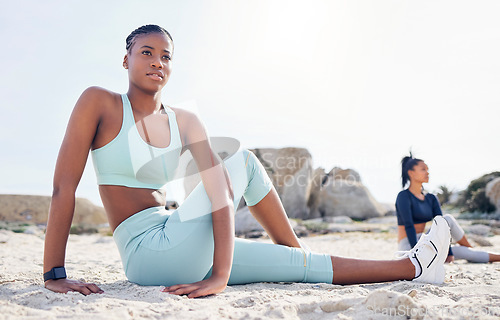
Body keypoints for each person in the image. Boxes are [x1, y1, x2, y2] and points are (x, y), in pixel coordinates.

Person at [43, 24, 452, 299]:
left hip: (178, 238)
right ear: (126, 59)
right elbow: (65, 188)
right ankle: (283, 255)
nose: (157, 62)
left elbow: (219, 192)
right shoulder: (99, 102)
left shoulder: (184, 120)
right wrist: (54, 275)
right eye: (146, 52)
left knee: (295, 259)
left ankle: (412, 267)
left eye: (166, 56)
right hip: (148, 252)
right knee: (240, 157)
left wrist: (219, 265)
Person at [396, 154, 500, 264]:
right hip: (409, 246)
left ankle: (475, 249)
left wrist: (449, 253)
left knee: (466, 252)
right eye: (423, 169)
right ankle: (464, 247)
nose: (427, 172)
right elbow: (409, 225)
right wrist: (415, 252)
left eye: (427, 169)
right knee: (447, 219)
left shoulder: (431, 198)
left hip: (427, 242)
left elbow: (442, 226)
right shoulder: (404, 196)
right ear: (411, 173)